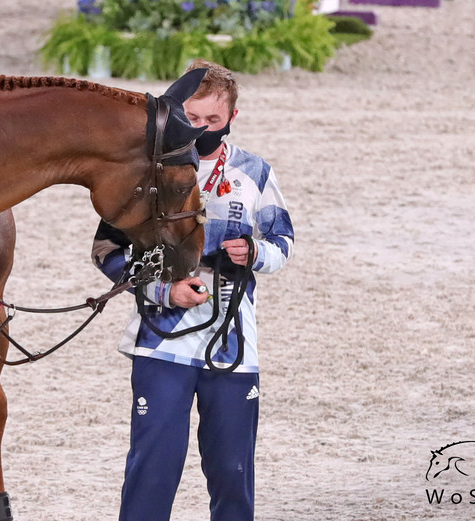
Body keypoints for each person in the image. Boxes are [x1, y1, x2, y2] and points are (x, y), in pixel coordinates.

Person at [91, 59, 294, 521]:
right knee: (153, 468)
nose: (201, 129)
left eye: (213, 122)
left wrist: (254, 254)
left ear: (232, 119)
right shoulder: (143, 172)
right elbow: (107, 251)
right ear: (175, 114)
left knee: (232, 470)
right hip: (162, 342)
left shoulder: (255, 173)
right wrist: (165, 292)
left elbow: (283, 242)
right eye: (192, 119)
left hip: (233, 344)